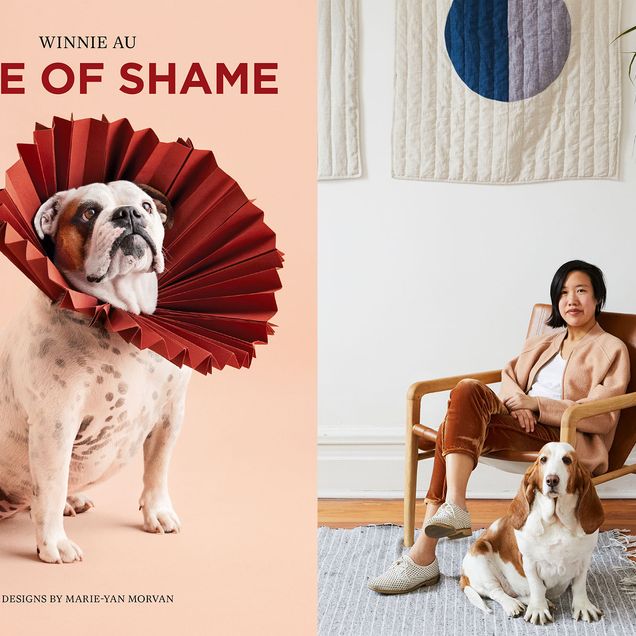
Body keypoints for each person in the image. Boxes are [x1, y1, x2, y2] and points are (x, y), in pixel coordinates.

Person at [368, 260, 630, 595]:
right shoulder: (544, 342)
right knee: (465, 393)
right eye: (563, 292)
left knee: (451, 423)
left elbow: (600, 416)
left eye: (581, 291)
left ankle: (424, 555)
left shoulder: (611, 349)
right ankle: (455, 509)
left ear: (597, 299)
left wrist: (537, 406)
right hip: (521, 424)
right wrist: (519, 402)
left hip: (562, 440)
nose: (572, 300)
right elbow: (509, 378)